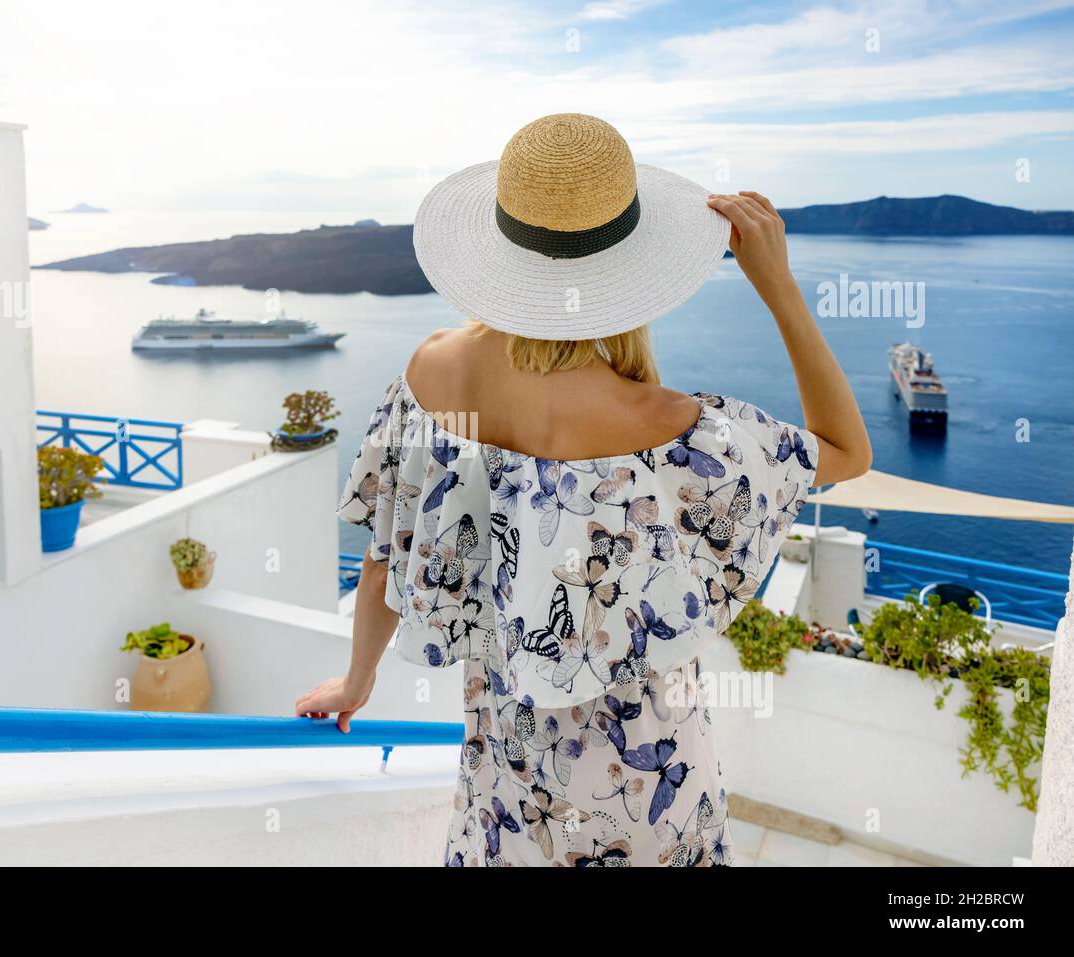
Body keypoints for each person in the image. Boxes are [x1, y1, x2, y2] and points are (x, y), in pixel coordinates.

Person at [296, 113, 871, 867]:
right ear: (630, 268)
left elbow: (385, 551)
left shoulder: (432, 376)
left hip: (508, 782)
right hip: (650, 785)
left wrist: (357, 680)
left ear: (502, 251)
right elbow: (845, 450)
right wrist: (780, 288)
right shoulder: (669, 430)